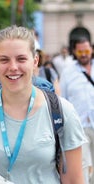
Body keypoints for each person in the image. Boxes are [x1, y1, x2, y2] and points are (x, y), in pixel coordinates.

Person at [0, 25, 86, 184]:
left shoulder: (62, 112)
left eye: (21, 59)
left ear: (35, 61)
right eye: (4, 59)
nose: (13, 67)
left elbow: (74, 180)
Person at [60, 36, 94, 184]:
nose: (84, 54)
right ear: (74, 52)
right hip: (79, 129)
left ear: (91, 50)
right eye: (80, 52)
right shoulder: (68, 73)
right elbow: (63, 100)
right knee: (84, 168)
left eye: (86, 50)